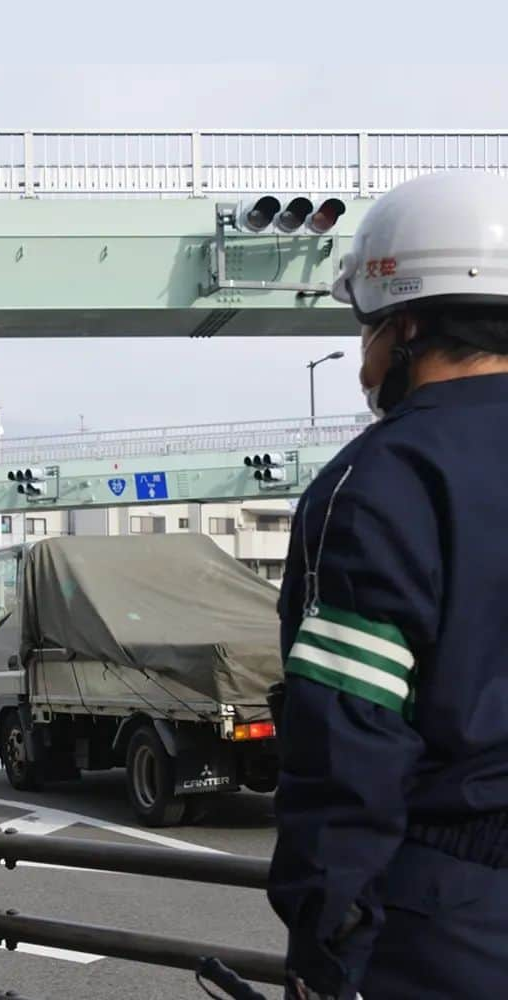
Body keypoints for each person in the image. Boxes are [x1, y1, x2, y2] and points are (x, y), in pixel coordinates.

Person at [268, 170, 508, 999]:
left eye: (365, 334)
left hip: (452, 920)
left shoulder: (384, 479)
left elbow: (349, 737)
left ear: (404, 328)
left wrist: (325, 943)